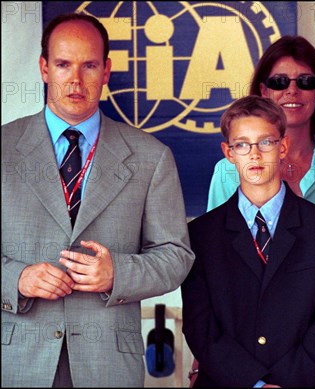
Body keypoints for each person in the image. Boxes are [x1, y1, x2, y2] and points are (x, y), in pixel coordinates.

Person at [1, 13, 194, 387]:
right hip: (18, 360)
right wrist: (18, 278)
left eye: (89, 65)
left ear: (106, 71)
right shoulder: (3, 148)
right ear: (43, 68)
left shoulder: (151, 156)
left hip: (108, 365)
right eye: (63, 64)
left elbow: (176, 255)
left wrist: (117, 274)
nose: (75, 79)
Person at [182, 95, 315, 387]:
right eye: (242, 144)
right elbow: (201, 326)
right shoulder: (200, 235)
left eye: (266, 142)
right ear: (228, 152)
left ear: (283, 146)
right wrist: (254, 382)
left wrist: (285, 382)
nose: (255, 154)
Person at [206, 35, 315, 211]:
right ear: (264, 91)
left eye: (305, 81)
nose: (292, 90)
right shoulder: (228, 170)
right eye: (279, 82)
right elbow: (218, 235)